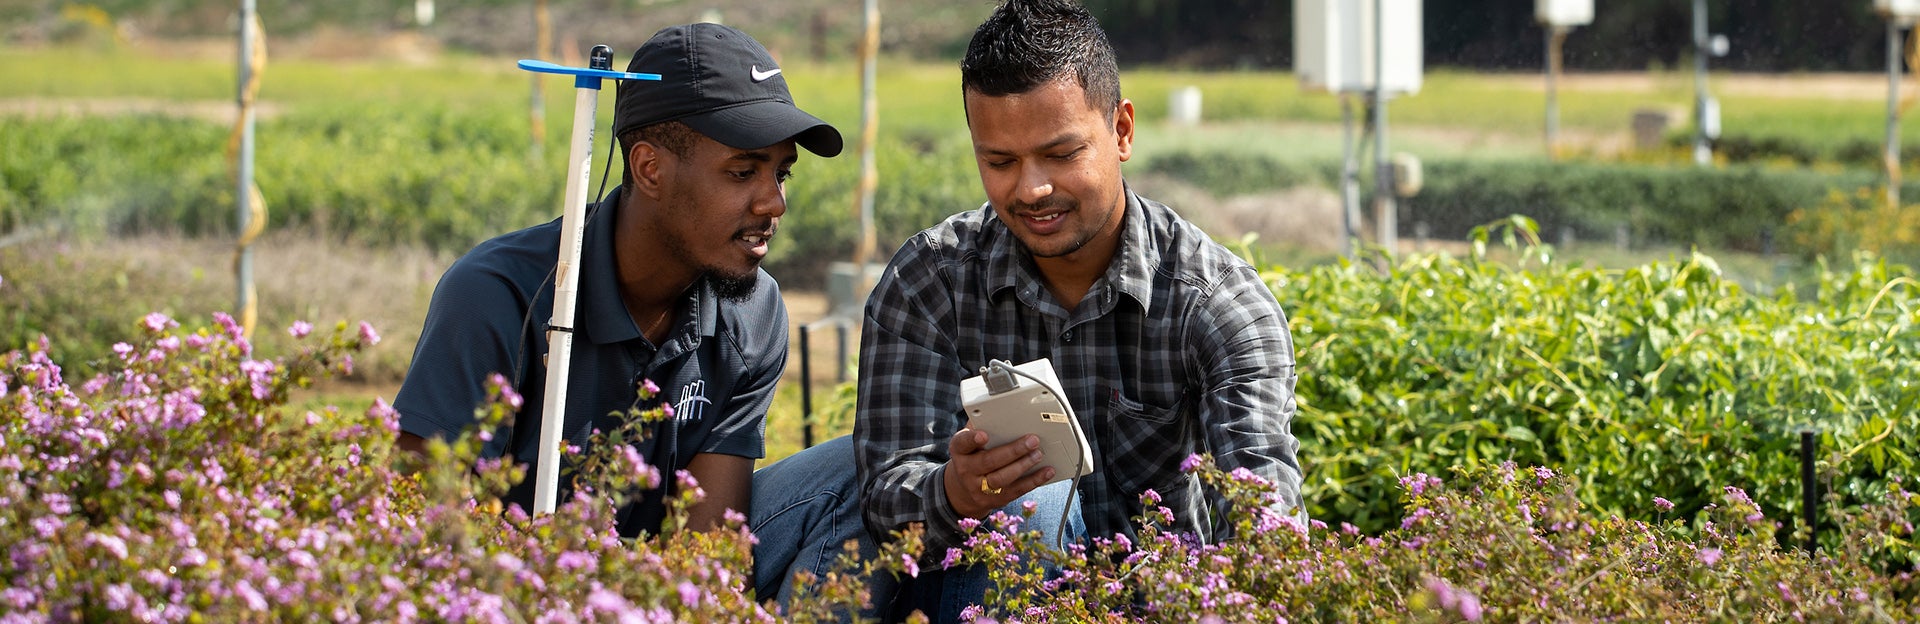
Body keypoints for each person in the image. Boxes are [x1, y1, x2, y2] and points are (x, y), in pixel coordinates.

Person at [851, 0, 1306, 619]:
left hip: (1160, 604)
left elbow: (1262, 515)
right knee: (1027, 503)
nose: (1031, 189)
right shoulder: (929, 285)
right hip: (983, 600)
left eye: (1061, 154)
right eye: (999, 162)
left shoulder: (1218, 303)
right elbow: (884, 504)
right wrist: (955, 492)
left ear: (1121, 131)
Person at [392, 22, 866, 610]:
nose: (774, 202)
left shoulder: (755, 311)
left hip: (650, 588)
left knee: (859, 470)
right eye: (743, 172)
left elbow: (709, 554)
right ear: (649, 169)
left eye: (781, 172)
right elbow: (416, 527)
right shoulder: (497, 296)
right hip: (503, 589)